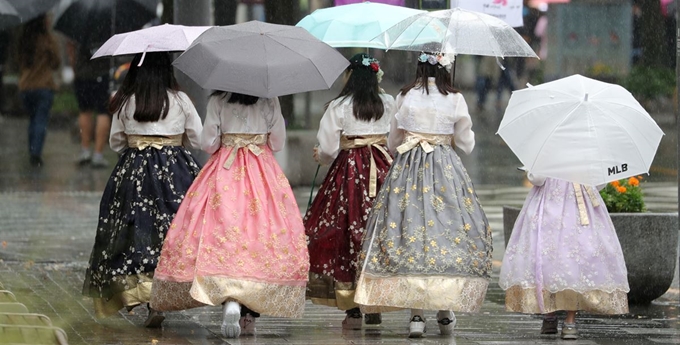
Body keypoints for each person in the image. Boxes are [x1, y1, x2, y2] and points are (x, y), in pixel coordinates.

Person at [353, 52, 493, 338]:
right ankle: (444, 308)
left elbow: (393, 140)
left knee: (409, 230)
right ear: (445, 67)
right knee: (447, 231)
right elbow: (466, 144)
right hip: (445, 170)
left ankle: (416, 312)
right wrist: (446, 134)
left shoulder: (406, 95)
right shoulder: (455, 98)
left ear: (420, 66)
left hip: (408, 168)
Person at [150, 90, 310, 338]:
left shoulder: (218, 100)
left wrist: (229, 139)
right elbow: (277, 142)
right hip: (261, 171)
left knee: (224, 234)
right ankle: (248, 315)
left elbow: (208, 143)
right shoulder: (268, 99)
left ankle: (229, 300)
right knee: (257, 237)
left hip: (225, 169)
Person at [81, 52, 203, 327]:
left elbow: (115, 143)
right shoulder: (181, 99)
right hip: (175, 173)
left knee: (136, 232)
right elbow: (197, 138)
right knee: (174, 230)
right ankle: (164, 292)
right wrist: (174, 138)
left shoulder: (125, 100)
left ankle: (144, 294)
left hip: (133, 172)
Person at [304, 53, 395, 330]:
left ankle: (353, 309)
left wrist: (320, 155)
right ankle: (375, 299)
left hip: (349, 172)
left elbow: (329, 150)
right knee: (380, 232)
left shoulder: (339, 106)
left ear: (350, 76)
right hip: (382, 169)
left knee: (345, 233)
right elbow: (394, 138)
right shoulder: (388, 103)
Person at [499, 173, 629, 340]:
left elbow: (536, 178)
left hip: (549, 204)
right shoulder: (586, 149)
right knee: (575, 263)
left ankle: (549, 314)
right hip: (581, 206)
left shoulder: (549, 150)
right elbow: (599, 182)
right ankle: (570, 322)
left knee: (546, 259)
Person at [17, 15, 61, 167]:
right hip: (43, 86)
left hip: (26, 87)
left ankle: (32, 151)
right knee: (40, 120)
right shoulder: (47, 40)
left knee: (32, 120)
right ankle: (35, 154)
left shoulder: (23, 40)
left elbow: (19, 63)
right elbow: (56, 63)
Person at [66, 40, 111, 168]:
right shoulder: (108, 25)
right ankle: (98, 154)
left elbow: (71, 47)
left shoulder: (80, 28)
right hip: (102, 74)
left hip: (83, 75)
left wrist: (75, 67)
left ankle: (85, 150)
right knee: (103, 112)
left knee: (85, 111)